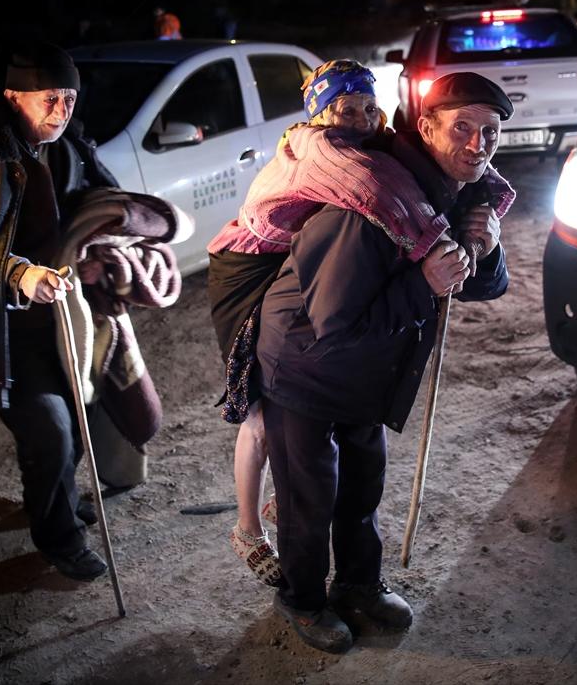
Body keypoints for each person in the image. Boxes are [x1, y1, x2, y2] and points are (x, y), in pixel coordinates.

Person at [207, 60, 512, 587]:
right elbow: (334, 323)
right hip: (304, 370)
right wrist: (423, 284)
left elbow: (482, 285)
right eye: (462, 126)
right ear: (426, 128)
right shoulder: (368, 192)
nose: (477, 143)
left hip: (364, 372)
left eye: (490, 131)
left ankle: (361, 589)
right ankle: (302, 601)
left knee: (361, 488)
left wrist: (487, 243)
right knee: (309, 504)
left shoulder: (451, 188)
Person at [0, 42, 118, 581]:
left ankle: (54, 499)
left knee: (78, 413)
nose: (62, 110)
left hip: (59, 312)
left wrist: (111, 239)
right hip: (3, 322)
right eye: (50, 99)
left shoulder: (64, 141)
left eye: (70, 98)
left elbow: (97, 195)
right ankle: (58, 537)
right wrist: (19, 274)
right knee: (49, 429)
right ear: (13, 97)